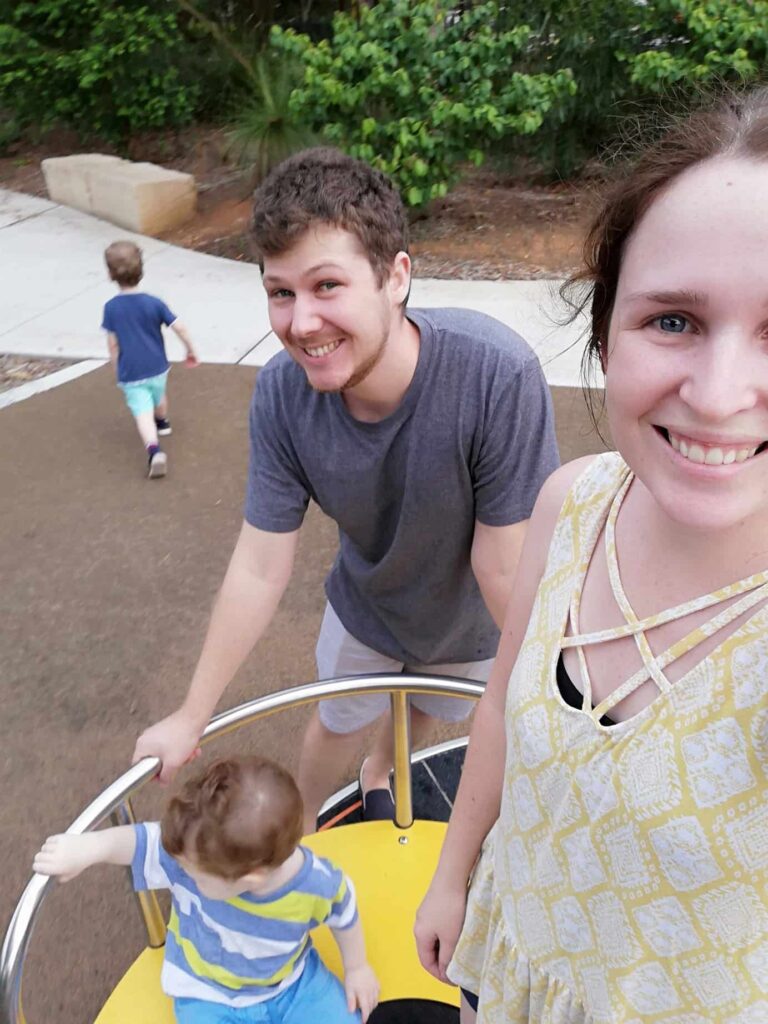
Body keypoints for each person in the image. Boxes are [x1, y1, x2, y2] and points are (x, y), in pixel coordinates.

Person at [414, 88, 768, 1023]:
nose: (723, 394)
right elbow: (500, 705)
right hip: (520, 963)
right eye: (675, 321)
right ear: (606, 335)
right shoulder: (574, 503)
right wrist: (454, 875)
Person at [132, 147, 559, 832]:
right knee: (338, 719)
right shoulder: (282, 394)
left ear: (395, 278)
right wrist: (192, 714)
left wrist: (556, 695)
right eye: (281, 292)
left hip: (471, 615)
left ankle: (382, 773)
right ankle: (299, 825)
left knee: (426, 709)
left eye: (327, 286)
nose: (301, 323)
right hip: (368, 604)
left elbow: (503, 564)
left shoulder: (495, 375)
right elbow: (259, 564)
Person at [33, 756, 379, 1023]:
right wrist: (89, 849)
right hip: (207, 994)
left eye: (194, 874)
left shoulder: (315, 883)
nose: (179, 869)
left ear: (251, 878)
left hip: (292, 984)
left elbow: (343, 910)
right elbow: (139, 842)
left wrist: (357, 967)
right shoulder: (194, 849)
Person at [102, 240, 199, 479]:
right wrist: (190, 349)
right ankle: (163, 421)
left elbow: (113, 344)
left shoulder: (111, 308)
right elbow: (180, 328)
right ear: (141, 270)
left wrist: (117, 368)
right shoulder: (154, 303)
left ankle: (154, 451)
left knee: (141, 411)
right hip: (158, 365)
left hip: (132, 371)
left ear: (110, 274)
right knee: (158, 394)